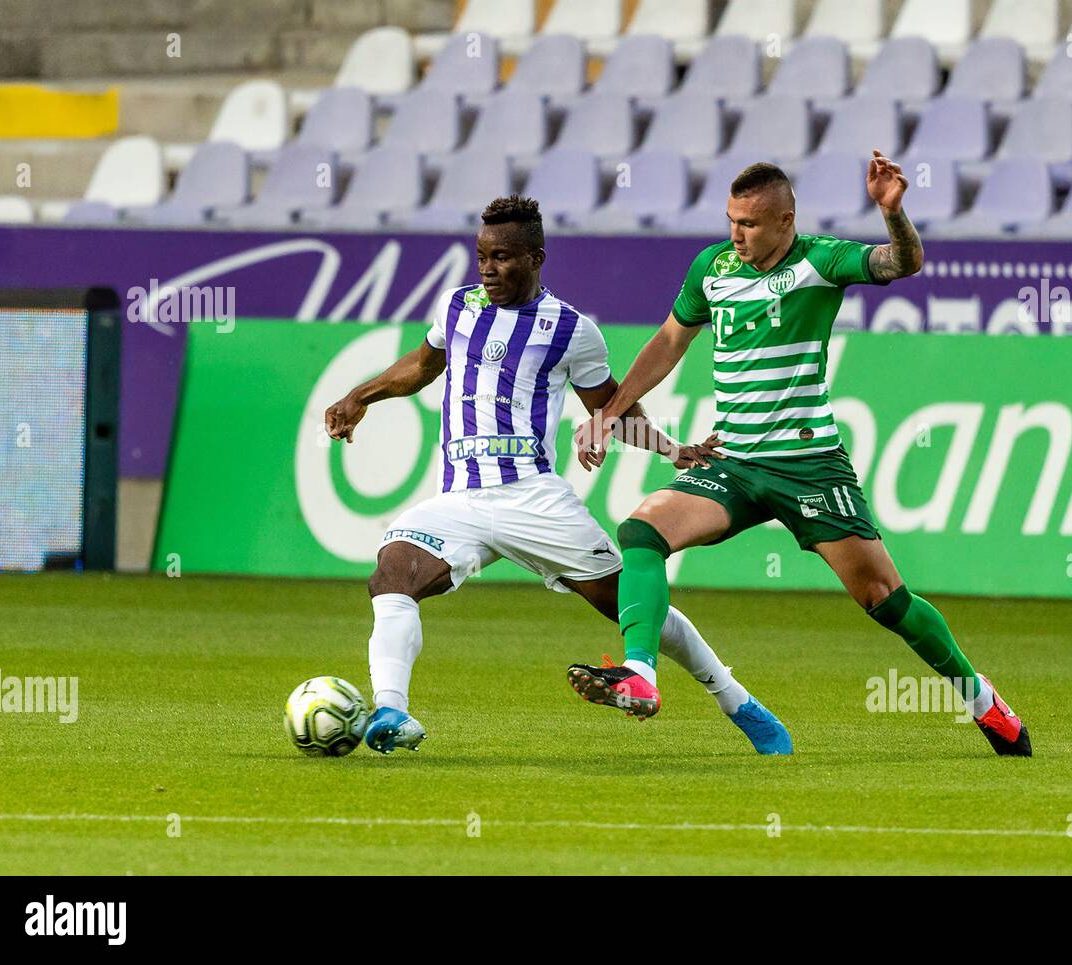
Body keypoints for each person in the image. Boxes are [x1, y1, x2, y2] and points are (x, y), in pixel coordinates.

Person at [569, 156, 1031, 756]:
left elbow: (903, 263)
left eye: (751, 224)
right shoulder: (712, 269)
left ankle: (981, 701)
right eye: (732, 220)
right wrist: (610, 412)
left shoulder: (821, 260)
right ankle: (641, 673)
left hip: (809, 465)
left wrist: (893, 214)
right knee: (641, 531)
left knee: (884, 600)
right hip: (732, 462)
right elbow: (667, 342)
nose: (737, 234)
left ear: (786, 220)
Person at [324, 195, 793, 755]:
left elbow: (612, 409)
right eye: (481, 257)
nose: (488, 270)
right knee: (392, 575)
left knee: (629, 604)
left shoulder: (571, 329)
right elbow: (423, 366)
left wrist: (671, 449)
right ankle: (392, 712)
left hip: (533, 498)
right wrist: (361, 395)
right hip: (460, 500)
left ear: (535, 257)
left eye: (501, 258)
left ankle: (738, 702)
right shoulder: (456, 308)